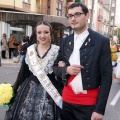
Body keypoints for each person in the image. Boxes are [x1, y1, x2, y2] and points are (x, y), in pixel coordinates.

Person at [53, 2, 112, 120]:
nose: (73, 19)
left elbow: (106, 77)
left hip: (88, 104)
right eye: (70, 16)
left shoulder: (101, 41)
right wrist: (66, 69)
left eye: (77, 14)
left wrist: (99, 110)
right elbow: (55, 67)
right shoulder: (65, 41)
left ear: (87, 16)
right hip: (66, 101)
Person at [5, 21, 63, 120]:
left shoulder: (58, 51)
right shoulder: (30, 50)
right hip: (28, 90)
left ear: (51, 34)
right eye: (39, 32)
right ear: (35, 34)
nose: (42, 35)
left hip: (50, 92)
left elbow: (61, 76)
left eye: (46, 32)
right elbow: (23, 74)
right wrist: (13, 91)